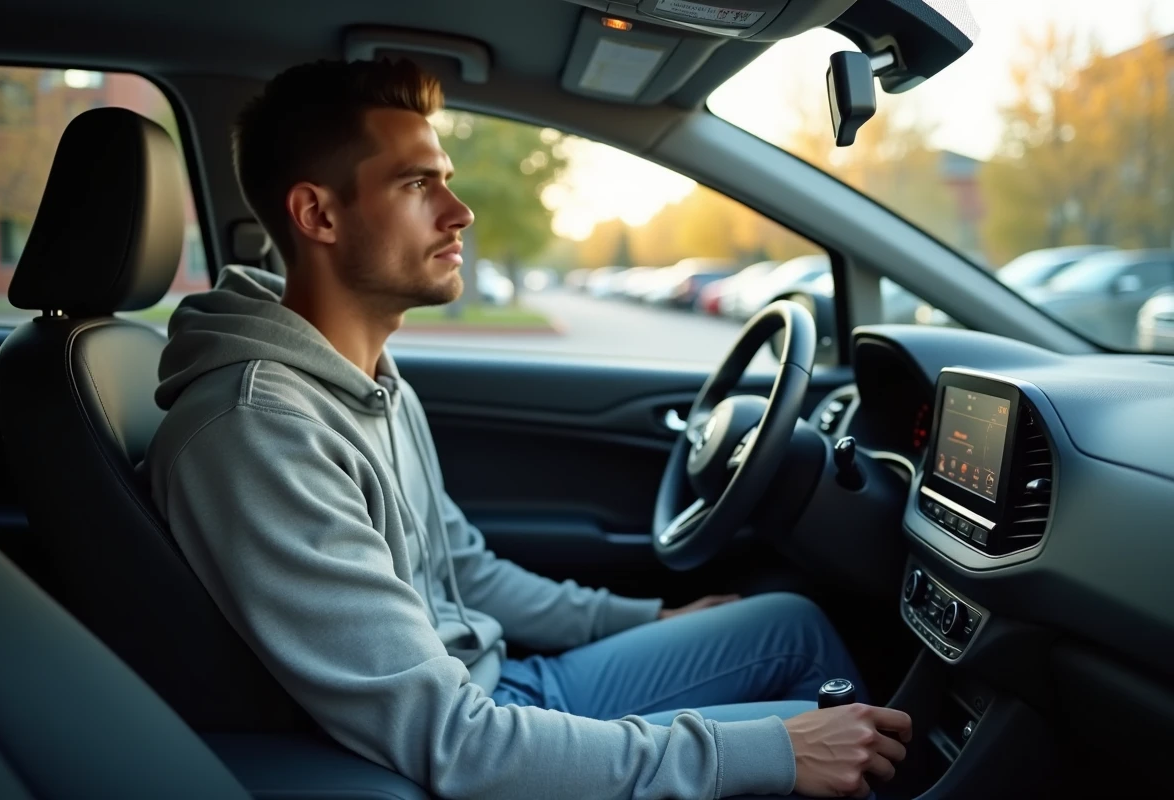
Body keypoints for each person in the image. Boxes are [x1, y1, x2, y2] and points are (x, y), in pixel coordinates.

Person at [145, 57, 911, 799]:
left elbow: (466, 573)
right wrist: (773, 753)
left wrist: (649, 616)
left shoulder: (368, 380)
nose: (460, 211)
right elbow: (457, 744)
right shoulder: (260, 431)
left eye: (446, 178)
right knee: (821, 749)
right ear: (318, 214)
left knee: (790, 627)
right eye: (417, 184)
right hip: (476, 738)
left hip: (503, 684)